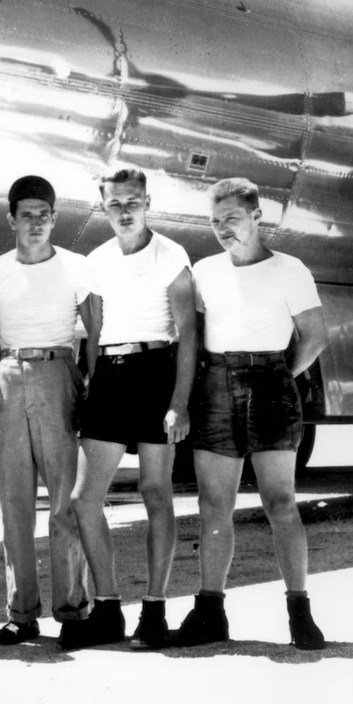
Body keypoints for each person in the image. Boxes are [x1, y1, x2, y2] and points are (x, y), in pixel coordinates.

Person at [177, 178, 328, 650]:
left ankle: (299, 611)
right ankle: (210, 612)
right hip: (216, 384)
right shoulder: (204, 270)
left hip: (271, 384)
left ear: (257, 215)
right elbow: (194, 334)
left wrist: (280, 375)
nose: (223, 228)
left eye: (233, 218)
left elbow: (315, 335)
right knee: (213, 506)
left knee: (281, 503)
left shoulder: (290, 269)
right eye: (215, 220)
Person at [65, 168, 197, 650]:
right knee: (84, 499)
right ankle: (107, 608)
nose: (125, 210)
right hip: (110, 375)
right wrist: (92, 383)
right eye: (115, 203)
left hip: (156, 370)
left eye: (133, 202)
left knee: (155, 491)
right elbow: (95, 332)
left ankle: (156, 611)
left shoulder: (170, 254)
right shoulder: (95, 260)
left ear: (148, 203)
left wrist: (178, 403)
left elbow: (187, 333)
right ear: (103, 207)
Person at [0, 176, 91, 645]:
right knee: (14, 503)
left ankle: (72, 610)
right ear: (11, 219)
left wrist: (80, 384)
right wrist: (11, 372)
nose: (37, 223)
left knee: (65, 501)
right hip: (9, 377)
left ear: (54, 218)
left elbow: (94, 334)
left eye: (44, 215)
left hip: (59, 371)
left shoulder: (77, 267)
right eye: (27, 215)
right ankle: (21, 613)